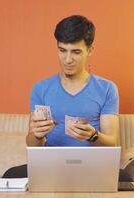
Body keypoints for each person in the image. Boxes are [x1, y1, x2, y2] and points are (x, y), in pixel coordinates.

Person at [26, 15, 119, 147]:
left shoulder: (107, 89)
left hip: (91, 163)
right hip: (52, 163)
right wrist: (37, 135)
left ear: (90, 50)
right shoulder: (40, 89)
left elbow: (112, 143)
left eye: (76, 52)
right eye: (62, 50)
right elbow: (31, 144)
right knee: (12, 170)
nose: (68, 59)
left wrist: (93, 136)